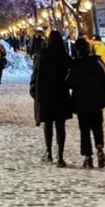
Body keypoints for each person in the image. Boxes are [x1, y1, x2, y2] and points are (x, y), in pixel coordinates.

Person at [67, 37, 105, 168]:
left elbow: (69, 83)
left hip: (80, 103)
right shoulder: (97, 62)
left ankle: (88, 156)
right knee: (97, 126)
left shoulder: (75, 64)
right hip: (97, 101)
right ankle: (100, 148)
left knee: (84, 130)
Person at [31, 31, 73, 167]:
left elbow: (35, 74)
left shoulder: (42, 54)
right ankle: (60, 156)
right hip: (61, 93)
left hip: (45, 94)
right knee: (60, 126)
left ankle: (48, 152)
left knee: (48, 123)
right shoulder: (64, 56)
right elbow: (72, 71)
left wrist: (34, 91)